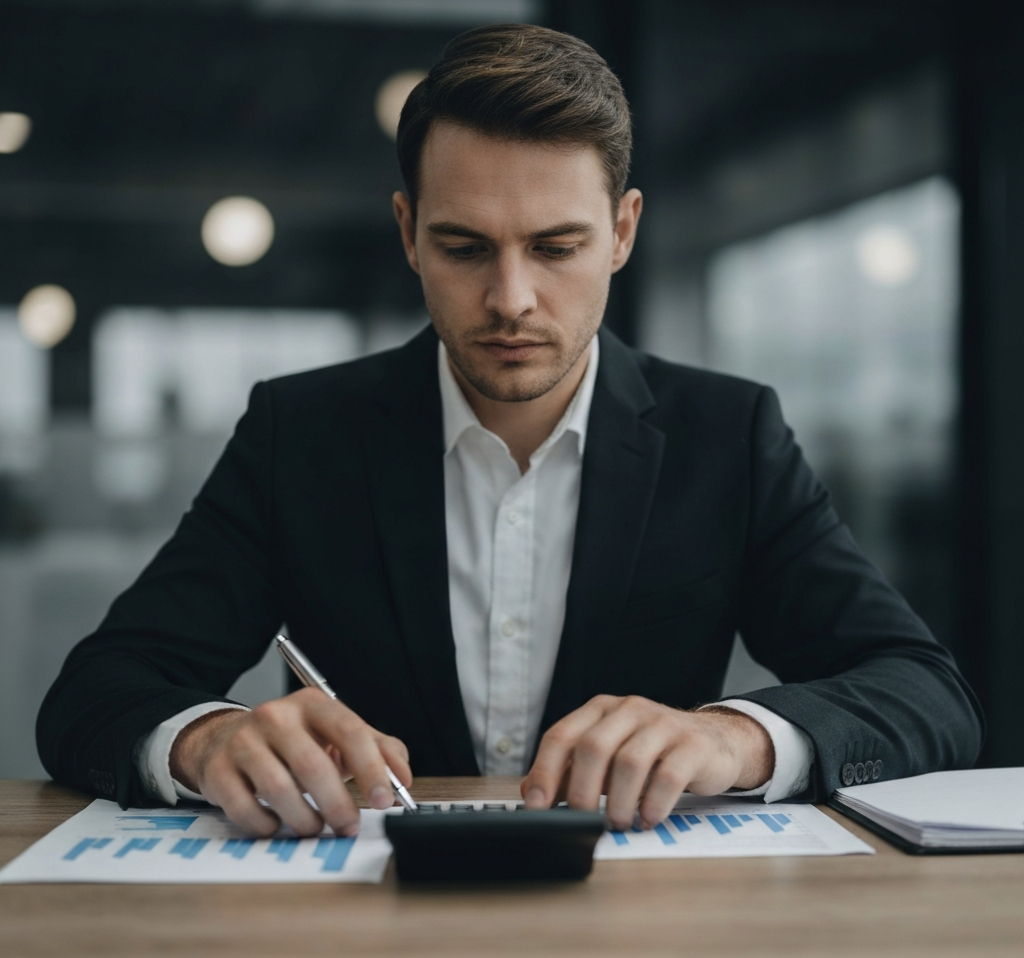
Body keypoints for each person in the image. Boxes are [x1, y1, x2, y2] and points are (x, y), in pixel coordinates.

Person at [37, 24, 982, 839]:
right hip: (368, 924)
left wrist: (730, 737)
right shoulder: (301, 432)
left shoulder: (726, 433)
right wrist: (205, 738)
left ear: (622, 232)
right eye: (463, 248)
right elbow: (98, 691)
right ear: (408, 233)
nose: (511, 300)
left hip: (641, 933)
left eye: (557, 247)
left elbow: (925, 692)